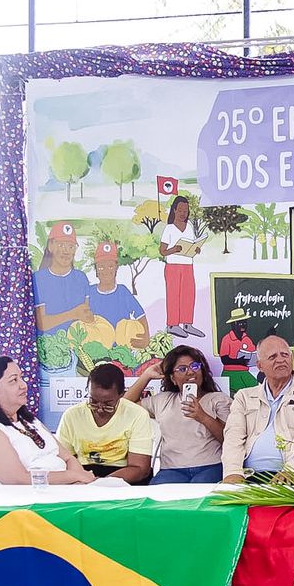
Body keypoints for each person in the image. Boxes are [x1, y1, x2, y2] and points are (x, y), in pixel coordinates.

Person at [0, 356, 95, 486]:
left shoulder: (30, 421)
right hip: (25, 504)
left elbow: (68, 458)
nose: (23, 385)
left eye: (21, 377)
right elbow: (18, 480)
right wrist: (73, 476)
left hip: (65, 493)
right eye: (13, 380)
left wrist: (79, 481)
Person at [221, 335, 294, 483]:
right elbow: (233, 436)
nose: (280, 360)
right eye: (272, 357)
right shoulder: (244, 396)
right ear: (260, 366)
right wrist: (232, 472)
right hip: (249, 475)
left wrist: (292, 470)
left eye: (284, 355)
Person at [127, 345, 233, 484]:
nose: (190, 372)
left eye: (195, 366)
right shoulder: (163, 400)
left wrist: (202, 417)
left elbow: (229, 440)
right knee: (158, 496)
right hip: (171, 470)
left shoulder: (218, 399)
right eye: (182, 369)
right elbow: (125, 407)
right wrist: (146, 375)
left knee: (200, 493)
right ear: (173, 378)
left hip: (211, 466)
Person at [55, 363, 154, 482]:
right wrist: (81, 478)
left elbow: (140, 468)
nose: (100, 409)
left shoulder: (137, 414)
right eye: (93, 401)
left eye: (108, 404)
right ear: (88, 391)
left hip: (124, 474)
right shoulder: (72, 415)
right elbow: (63, 460)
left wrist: (103, 483)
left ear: (121, 395)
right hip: (83, 474)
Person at [88, 240, 150, 352]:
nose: (106, 271)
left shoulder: (122, 292)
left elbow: (141, 315)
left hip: (122, 348)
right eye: (101, 267)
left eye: (110, 266)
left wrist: (146, 338)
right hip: (97, 347)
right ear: (96, 270)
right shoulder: (89, 292)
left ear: (116, 268)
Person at [32, 221, 92, 335]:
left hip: (77, 346)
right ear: (50, 246)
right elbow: (41, 324)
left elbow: (86, 315)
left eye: (71, 246)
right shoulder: (38, 279)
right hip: (48, 347)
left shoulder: (81, 278)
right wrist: (73, 314)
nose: (66, 251)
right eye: (61, 245)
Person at [158, 194, 205, 338]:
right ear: (174, 211)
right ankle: (172, 325)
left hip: (187, 265)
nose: (183, 214)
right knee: (174, 295)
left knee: (188, 294)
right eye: (180, 210)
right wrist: (174, 249)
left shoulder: (189, 227)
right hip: (173, 266)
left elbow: (190, 246)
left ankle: (187, 323)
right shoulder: (169, 229)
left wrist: (196, 249)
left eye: (186, 211)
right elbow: (162, 251)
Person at [218, 308, 257, 393]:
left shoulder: (247, 339)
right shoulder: (227, 339)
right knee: (238, 393)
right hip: (231, 373)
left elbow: (254, 354)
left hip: (244, 373)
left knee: (257, 388)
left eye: (244, 322)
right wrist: (239, 361)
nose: (243, 325)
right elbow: (224, 360)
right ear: (233, 324)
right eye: (239, 323)